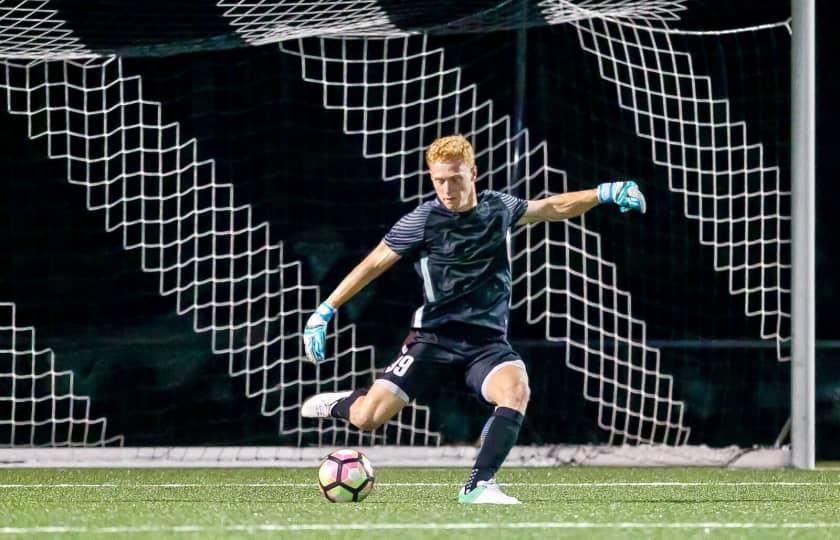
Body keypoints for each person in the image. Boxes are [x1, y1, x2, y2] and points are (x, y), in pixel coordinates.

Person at [300, 135, 645, 504]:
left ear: (473, 173)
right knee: (368, 418)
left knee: (517, 390)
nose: (447, 189)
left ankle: (478, 485)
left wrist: (605, 192)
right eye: (438, 180)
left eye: (455, 179)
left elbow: (552, 207)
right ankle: (342, 404)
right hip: (432, 339)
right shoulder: (422, 220)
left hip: (487, 343)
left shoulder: (499, 208)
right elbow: (372, 264)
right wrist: (326, 310)